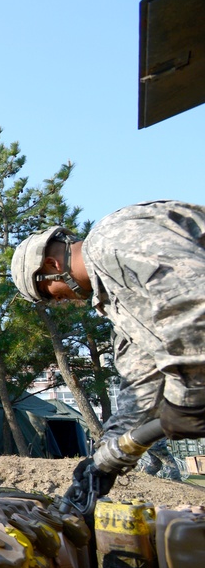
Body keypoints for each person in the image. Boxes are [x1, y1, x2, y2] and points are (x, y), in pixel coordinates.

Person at [11, 200, 205, 502]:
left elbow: (193, 300)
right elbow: (141, 390)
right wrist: (102, 464)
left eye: (47, 296)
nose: (58, 303)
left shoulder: (111, 239)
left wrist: (188, 396)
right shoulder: (119, 305)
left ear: (52, 266)